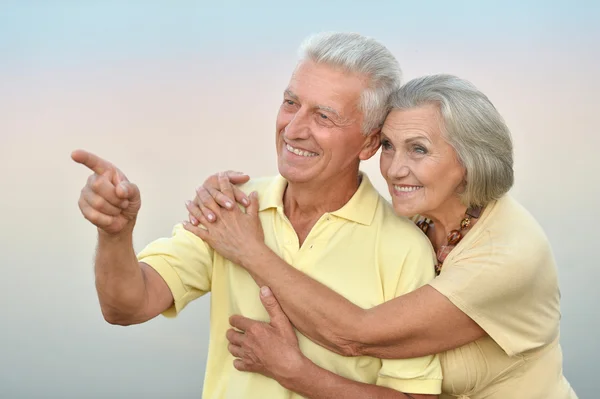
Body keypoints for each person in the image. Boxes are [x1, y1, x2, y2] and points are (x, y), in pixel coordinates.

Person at [71, 32, 443, 399]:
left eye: (324, 117)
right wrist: (115, 233)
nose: (294, 129)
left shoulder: (404, 249)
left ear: (368, 143)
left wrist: (299, 375)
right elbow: (126, 307)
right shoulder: (230, 208)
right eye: (290, 102)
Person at [186, 74, 578, 399]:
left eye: (419, 150)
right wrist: (228, 196)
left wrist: (250, 251)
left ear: (471, 161)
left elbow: (355, 336)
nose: (393, 170)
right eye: (389, 146)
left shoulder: (504, 256)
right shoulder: (422, 220)